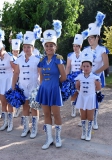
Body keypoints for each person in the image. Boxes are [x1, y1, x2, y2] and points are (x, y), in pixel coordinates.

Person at [36, 20, 66, 149]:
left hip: (54, 90)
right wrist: (44, 86)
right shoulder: (42, 61)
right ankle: (49, 139)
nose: (49, 48)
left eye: (51, 45)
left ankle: (58, 137)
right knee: (46, 115)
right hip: (44, 89)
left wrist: (54, 84)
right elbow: (41, 76)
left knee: (56, 114)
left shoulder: (58, 59)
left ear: (55, 47)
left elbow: (63, 77)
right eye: (47, 45)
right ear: (44, 47)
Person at [12, 25, 42, 138]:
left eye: (29, 47)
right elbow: (16, 73)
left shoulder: (37, 59)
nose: (26, 49)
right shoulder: (19, 59)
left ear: (33, 48)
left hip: (34, 86)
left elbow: (41, 73)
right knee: (25, 107)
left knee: (34, 107)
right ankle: (26, 128)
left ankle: (34, 129)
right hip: (22, 86)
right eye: (24, 47)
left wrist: (41, 86)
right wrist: (13, 85)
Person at [81, 11, 108, 130]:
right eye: (88, 38)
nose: (89, 40)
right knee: (85, 96)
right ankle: (85, 118)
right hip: (86, 77)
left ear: (98, 37)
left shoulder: (102, 50)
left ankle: (95, 119)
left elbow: (106, 64)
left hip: (97, 77)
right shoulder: (85, 50)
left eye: (92, 38)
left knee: (95, 98)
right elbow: (82, 64)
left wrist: (95, 73)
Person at [75, 53, 101, 141]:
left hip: (91, 98)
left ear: (91, 67)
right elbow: (77, 86)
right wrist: (81, 93)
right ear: (82, 67)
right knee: (83, 115)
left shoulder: (95, 77)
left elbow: (98, 87)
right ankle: (83, 132)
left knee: (90, 116)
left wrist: (92, 93)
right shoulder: (79, 76)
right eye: (84, 66)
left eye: (87, 66)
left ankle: (89, 132)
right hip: (82, 97)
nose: (85, 68)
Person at [65, 34, 84, 117]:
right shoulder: (70, 55)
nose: (75, 48)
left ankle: (80, 108)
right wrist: (66, 76)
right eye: (74, 46)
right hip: (73, 76)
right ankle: (73, 108)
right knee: (73, 93)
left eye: (77, 46)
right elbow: (68, 66)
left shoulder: (84, 55)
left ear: (80, 46)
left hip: (81, 76)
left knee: (81, 93)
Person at [11, 32, 23, 118]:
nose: (16, 52)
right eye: (14, 51)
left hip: (20, 77)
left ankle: (20, 109)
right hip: (14, 77)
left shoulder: (21, 57)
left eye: (17, 51)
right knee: (17, 94)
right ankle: (17, 109)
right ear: (12, 51)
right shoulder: (11, 58)